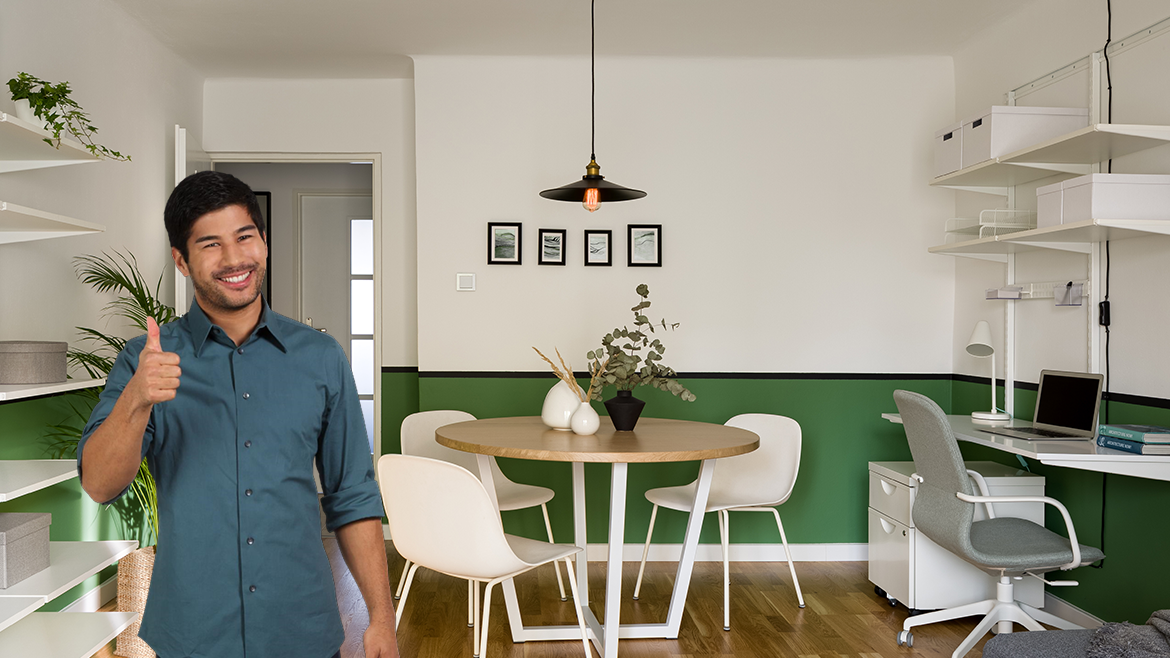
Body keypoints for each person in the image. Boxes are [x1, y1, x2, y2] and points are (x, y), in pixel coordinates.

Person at [79, 170, 399, 658]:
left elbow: (351, 494)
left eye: (245, 236)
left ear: (264, 243)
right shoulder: (145, 362)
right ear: (182, 261)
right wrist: (137, 398)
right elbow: (100, 484)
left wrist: (381, 617)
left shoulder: (321, 358)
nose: (234, 259)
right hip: (192, 634)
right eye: (210, 244)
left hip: (302, 630)